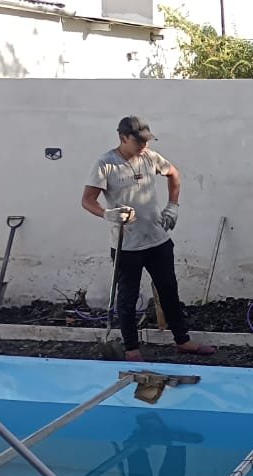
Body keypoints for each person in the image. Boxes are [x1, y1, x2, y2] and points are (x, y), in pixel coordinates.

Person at [81, 116, 215, 361]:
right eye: (139, 141)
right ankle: (132, 349)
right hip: (127, 245)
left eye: (147, 140)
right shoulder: (105, 164)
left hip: (157, 240)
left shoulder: (150, 157)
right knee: (128, 297)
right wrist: (108, 214)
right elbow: (88, 200)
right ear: (123, 138)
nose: (144, 145)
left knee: (169, 291)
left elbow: (174, 174)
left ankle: (182, 341)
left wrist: (173, 206)